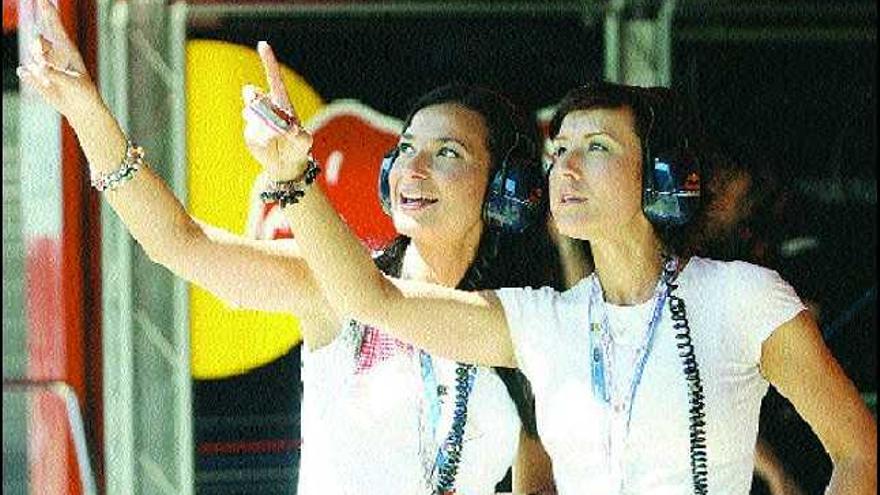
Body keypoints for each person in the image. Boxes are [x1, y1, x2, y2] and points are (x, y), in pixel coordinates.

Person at [17, 1, 559, 493]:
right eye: (407, 148)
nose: (413, 169)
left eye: (448, 154)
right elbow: (179, 243)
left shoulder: (523, 326)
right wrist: (86, 111)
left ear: (503, 191)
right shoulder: (334, 282)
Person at [258, 77, 877, 494]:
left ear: (661, 177)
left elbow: (859, 453)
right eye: (558, 151)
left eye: (596, 146)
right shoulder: (540, 322)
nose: (567, 167)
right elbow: (376, 299)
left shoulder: (744, 298)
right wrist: (294, 176)